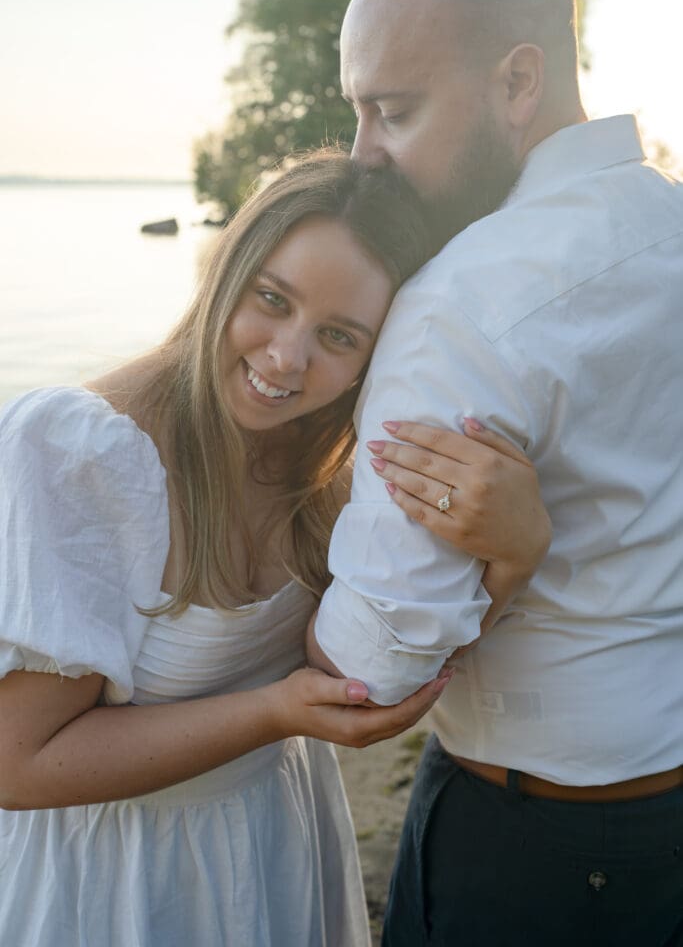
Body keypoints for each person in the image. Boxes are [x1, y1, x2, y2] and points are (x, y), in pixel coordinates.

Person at [0, 149, 549, 947]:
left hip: (277, 840)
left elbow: (367, 674)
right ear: (227, 268)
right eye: (271, 299)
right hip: (115, 882)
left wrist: (512, 556)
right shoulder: (79, 452)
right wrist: (272, 712)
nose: (286, 358)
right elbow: (18, 763)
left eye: (338, 335)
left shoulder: (333, 467)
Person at [309, 0, 683, 945]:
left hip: (533, 844)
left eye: (390, 109)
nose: (362, 154)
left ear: (517, 80)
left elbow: (373, 663)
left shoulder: (461, 301)